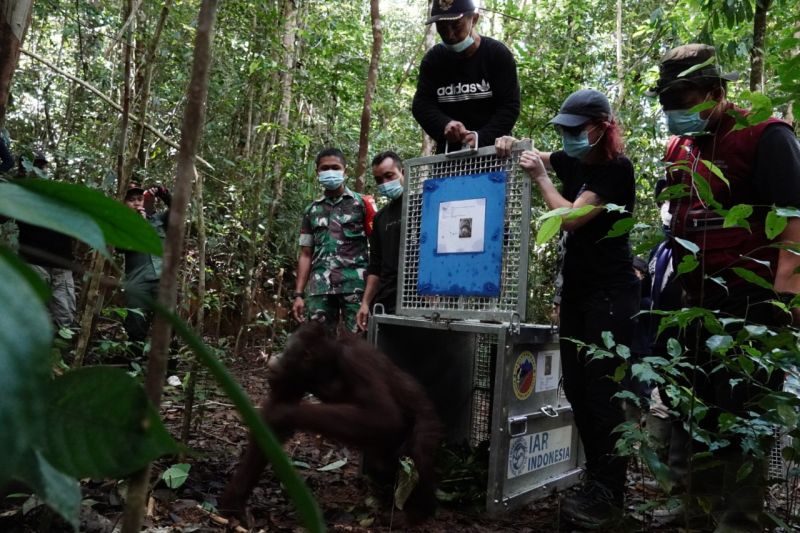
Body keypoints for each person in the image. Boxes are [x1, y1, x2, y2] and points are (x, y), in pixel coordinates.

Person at [650, 43, 800, 531]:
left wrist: (786, 299)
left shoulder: (766, 135)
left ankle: (738, 521)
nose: (673, 111)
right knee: (692, 411)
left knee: (742, 415)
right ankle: (693, 508)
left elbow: (794, 220)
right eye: (666, 101)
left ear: (716, 92)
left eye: (683, 99)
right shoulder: (681, 148)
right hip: (693, 301)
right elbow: (672, 216)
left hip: (751, 299)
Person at [496, 88, 639, 528]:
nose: (569, 137)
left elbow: (573, 219)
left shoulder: (616, 170)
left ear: (601, 127)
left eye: (576, 131)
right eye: (564, 130)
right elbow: (536, 153)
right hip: (577, 296)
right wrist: (510, 143)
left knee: (602, 394)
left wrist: (541, 178)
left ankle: (610, 492)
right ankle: (597, 480)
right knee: (576, 389)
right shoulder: (575, 159)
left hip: (610, 298)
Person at [412, 0, 520, 153]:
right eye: (442, 28)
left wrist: (481, 138)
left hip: (493, 152)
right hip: (449, 157)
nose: (449, 34)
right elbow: (421, 105)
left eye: (456, 25)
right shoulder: (434, 60)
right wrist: (445, 124)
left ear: (474, 19)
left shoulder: (497, 54)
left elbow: (509, 106)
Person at [292, 148, 371, 334]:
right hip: (321, 287)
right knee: (319, 345)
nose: (330, 172)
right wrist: (298, 294)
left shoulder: (362, 204)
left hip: (355, 286)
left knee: (358, 343)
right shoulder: (311, 210)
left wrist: (370, 296)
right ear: (317, 172)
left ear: (345, 171)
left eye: (335, 167)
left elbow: (376, 247)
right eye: (324, 168)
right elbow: (305, 254)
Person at [16, 150, 77, 328]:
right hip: (33, 261)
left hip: (60, 262)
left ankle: (62, 351)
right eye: (33, 166)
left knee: (64, 316)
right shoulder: (17, 193)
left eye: (41, 166)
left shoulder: (57, 192)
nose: (37, 170)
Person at [357, 151, 405, 331]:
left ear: (403, 172)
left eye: (389, 176)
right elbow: (375, 265)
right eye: (379, 180)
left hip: (416, 302)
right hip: (386, 302)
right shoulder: (380, 218)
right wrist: (365, 303)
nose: (385, 183)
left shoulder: (424, 204)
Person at [122, 182, 171, 353]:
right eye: (131, 200)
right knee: (135, 325)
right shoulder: (120, 225)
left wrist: (163, 193)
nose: (136, 203)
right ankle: (134, 367)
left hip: (162, 281)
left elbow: (178, 210)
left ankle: (170, 371)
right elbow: (119, 246)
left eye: (139, 199)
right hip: (137, 282)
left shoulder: (158, 220)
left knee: (167, 326)